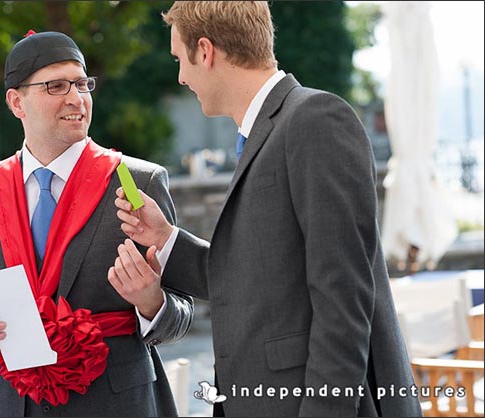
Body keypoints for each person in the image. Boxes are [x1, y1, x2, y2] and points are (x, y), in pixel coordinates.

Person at [110, 2, 422, 416]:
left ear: (206, 51)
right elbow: (254, 281)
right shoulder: (269, 133)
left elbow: (344, 300)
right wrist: (164, 238)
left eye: (179, 60)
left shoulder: (315, 119)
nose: (181, 76)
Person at [0, 30, 193, 417]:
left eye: (81, 84)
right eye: (56, 86)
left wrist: (151, 303)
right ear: (16, 102)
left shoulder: (138, 182)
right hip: (12, 404)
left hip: (116, 404)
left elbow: (181, 311)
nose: (76, 99)